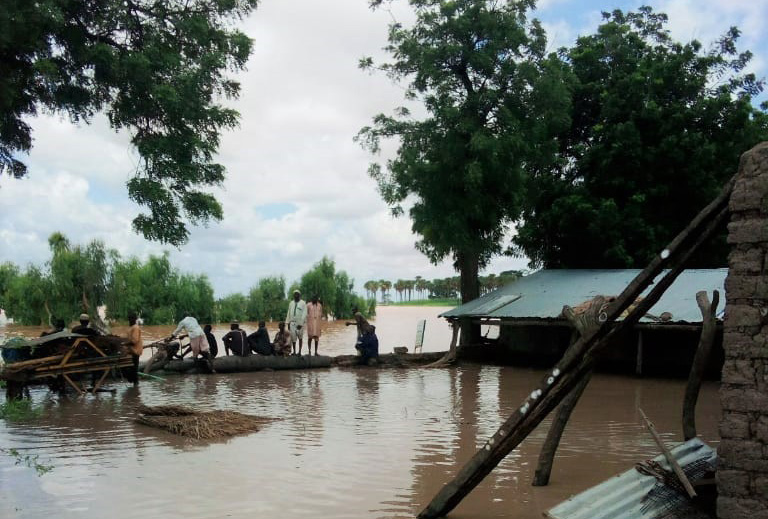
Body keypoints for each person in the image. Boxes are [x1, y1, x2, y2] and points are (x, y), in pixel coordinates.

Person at [285, 289, 307, 355]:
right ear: (293, 296)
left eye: (297, 294)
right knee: (293, 338)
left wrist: (300, 324)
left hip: (300, 324)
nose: (296, 295)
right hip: (292, 323)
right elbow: (288, 313)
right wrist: (288, 323)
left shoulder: (303, 303)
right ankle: (294, 352)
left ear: (299, 295)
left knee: (300, 338)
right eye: (295, 294)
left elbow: (304, 314)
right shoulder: (291, 303)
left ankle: (299, 352)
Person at [125, 312, 142, 386]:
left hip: (134, 351)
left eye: (131, 319)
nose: (129, 321)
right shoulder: (132, 327)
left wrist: (125, 343)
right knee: (134, 369)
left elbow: (134, 341)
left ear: (134, 319)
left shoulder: (135, 328)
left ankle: (135, 385)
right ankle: (135, 386)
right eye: (129, 319)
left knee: (133, 369)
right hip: (131, 351)